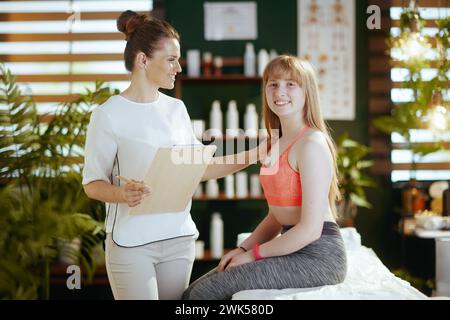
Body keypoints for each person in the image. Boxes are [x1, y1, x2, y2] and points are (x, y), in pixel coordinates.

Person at [82, 10, 262, 300]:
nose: (178, 67)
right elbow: (92, 184)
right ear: (143, 60)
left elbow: (198, 169)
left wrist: (254, 154)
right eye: (171, 59)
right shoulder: (107, 115)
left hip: (179, 241)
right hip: (131, 244)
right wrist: (122, 194)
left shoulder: (176, 109)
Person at [183, 55, 347, 300]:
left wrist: (252, 255)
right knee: (193, 291)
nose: (280, 91)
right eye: (273, 84)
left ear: (307, 92)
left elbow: (310, 230)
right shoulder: (274, 144)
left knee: (203, 295)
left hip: (319, 256)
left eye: (291, 84)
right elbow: (276, 217)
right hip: (293, 248)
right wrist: (242, 248)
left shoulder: (311, 144)